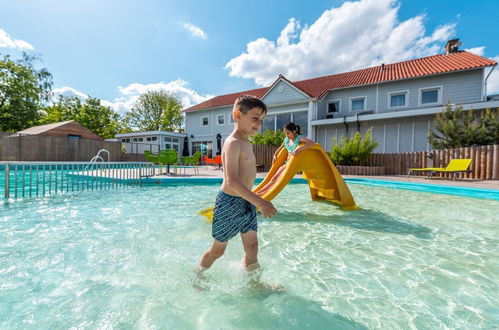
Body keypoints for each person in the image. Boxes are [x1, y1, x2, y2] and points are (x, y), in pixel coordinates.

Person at [197, 95, 277, 276]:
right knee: (218, 250)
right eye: (255, 118)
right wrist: (261, 202)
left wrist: (253, 200)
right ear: (238, 115)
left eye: (262, 120)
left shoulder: (246, 142)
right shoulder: (232, 143)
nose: (259, 124)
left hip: (245, 202)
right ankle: (198, 275)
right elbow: (232, 181)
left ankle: (254, 284)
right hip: (229, 203)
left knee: (252, 246)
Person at [256, 123, 315, 196]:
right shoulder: (286, 139)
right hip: (287, 163)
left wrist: (299, 149)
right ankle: (259, 192)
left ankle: (265, 193)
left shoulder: (299, 138)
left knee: (279, 180)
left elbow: (311, 143)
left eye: (288, 133)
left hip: (292, 165)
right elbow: (281, 147)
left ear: (294, 131)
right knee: (274, 178)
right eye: (285, 133)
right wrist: (275, 155)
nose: (287, 135)